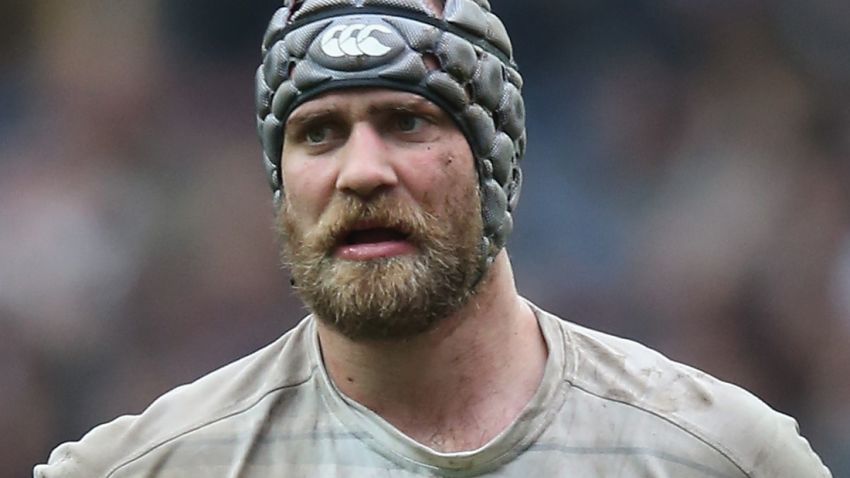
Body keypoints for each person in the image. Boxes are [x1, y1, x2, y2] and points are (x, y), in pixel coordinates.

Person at [35, 0, 832, 476]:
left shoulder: (713, 453)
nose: (361, 171)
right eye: (318, 134)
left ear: (500, 162)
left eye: (406, 121)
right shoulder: (161, 465)